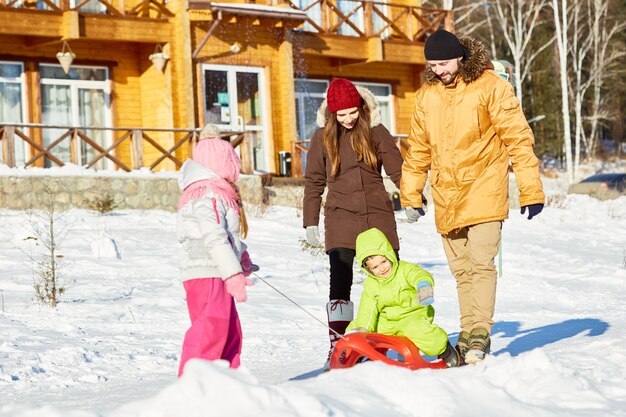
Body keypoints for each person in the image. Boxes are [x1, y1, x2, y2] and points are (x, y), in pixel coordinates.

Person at [400, 29, 545, 364]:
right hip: (446, 195)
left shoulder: (491, 86)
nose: (439, 70)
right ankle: (468, 333)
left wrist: (530, 188)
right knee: (461, 270)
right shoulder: (427, 96)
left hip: (484, 189)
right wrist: (410, 194)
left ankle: (479, 331)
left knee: (481, 264)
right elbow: (418, 150)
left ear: (460, 57)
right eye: (433, 65)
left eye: (444, 63)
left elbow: (518, 138)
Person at [303, 78, 404, 366]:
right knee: (340, 281)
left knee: (388, 278)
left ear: (361, 108)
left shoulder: (377, 132)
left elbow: (397, 170)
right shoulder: (322, 138)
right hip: (340, 216)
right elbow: (314, 182)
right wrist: (310, 221)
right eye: (341, 114)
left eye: (352, 112)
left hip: (377, 214)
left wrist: (411, 199)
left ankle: (385, 341)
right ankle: (339, 345)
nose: (348, 119)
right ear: (332, 114)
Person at [176, 124, 254, 376]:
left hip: (216, 271)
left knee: (230, 331)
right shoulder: (208, 194)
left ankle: (227, 383)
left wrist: (241, 258)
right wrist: (232, 274)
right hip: (207, 273)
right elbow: (213, 237)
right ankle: (195, 385)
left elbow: (226, 236)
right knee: (211, 330)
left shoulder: (213, 193)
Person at [346, 227, 461, 367]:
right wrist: (363, 329)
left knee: (420, 331)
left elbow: (419, 275)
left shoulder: (404, 269)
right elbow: (367, 308)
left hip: (412, 315)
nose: (382, 269)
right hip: (387, 320)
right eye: (375, 267)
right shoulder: (371, 284)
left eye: (384, 262)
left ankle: (443, 349)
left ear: (389, 255)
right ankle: (356, 353)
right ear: (368, 269)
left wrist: (423, 286)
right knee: (356, 327)